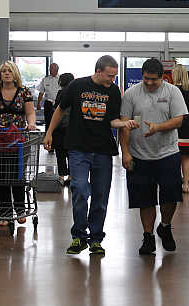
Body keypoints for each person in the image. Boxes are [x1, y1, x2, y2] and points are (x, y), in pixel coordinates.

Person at [43, 55, 138, 255]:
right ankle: (78, 236)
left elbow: (113, 120)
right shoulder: (77, 86)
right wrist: (49, 133)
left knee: (100, 196)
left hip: (103, 150)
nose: (112, 80)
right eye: (109, 76)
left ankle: (95, 238)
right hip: (78, 148)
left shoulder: (113, 91)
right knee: (79, 189)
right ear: (98, 71)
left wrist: (124, 123)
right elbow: (59, 110)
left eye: (115, 76)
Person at [119, 58, 188, 255]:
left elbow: (178, 120)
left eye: (153, 80)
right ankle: (148, 236)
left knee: (170, 196)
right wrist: (125, 153)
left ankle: (165, 226)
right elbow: (124, 125)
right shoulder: (132, 94)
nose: (149, 83)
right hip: (139, 156)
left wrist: (157, 127)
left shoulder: (172, 92)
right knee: (145, 199)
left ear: (162, 78)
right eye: (146, 79)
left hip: (167, 154)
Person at [0, 61, 38, 227]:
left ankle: (20, 211)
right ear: (0, 74)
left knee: (17, 175)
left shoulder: (23, 92)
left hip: (18, 140)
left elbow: (30, 112)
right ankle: (5, 213)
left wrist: (32, 123)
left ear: (15, 74)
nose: (6, 73)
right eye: (4, 71)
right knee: (2, 177)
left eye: (9, 71)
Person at [172, 64, 189, 193]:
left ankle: (175, 182)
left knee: (173, 157)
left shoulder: (173, 90)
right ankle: (186, 184)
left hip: (175, 126)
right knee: (186, 157)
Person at [51, 72, 74, 185]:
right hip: (72, 128)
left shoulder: (61, 93)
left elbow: (57, 109)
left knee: (60, 153)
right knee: (71, 153)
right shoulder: (75, 93)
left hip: (60, 127)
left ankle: (61, 176)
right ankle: (71, 176)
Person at [37, 63, 61, 137]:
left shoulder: (61, 79)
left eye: (52, 69)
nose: (50, 70)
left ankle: (57, 141)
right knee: (48, 122)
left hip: (58, 103)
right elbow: (41, 93)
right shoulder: (45, 79)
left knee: (58, 123)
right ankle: (48, 141)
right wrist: (38, 103)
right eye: (50, 68)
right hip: (48, 103)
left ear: (57, 69)